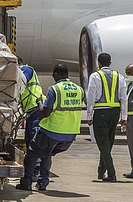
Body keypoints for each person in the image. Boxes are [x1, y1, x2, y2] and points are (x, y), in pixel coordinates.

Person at [16, 64, 84, 192]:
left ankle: (26, 182)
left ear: (56, 74)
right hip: (70, 135)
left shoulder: (55, 89)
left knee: (31, 154)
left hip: (52, 131)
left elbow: (45, 113)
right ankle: (43, 183)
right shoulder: (79, 90)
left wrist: (39, 102)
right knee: (46, 154)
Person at [86, 53, 127, 182]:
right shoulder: (118, 76)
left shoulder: (95, 76)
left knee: (102, 143)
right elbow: (123, 97)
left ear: (98, 62)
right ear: (110, 62)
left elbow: (91, 96)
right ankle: (101, 170)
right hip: (115, 112)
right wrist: (124, 116)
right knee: (108, 142)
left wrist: (89, 114)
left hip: (100, 111)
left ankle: (111, 172)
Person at [18, 56, 45, 150]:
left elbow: (20, 81)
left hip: (36, 106)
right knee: (29, 139)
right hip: (30, 110)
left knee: (34, 139)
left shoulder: (26, 69)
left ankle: (37, 162)